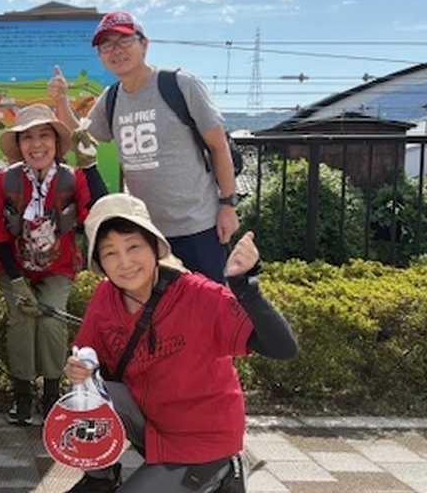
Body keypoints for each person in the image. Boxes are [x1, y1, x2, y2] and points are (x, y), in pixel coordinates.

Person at [64, 193, 296, 493]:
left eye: (133, 246)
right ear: (99, 262)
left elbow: (282, 348)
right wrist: (81, 367)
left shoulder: (199, 295)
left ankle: (224, 471)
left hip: (202, 440)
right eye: (110, 253)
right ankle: (101, 478)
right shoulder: (106, 298)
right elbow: (88, 355)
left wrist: (245, 288)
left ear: (154, 246)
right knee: (91, 393)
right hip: (154, 427)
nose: (124, 262)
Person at [49, 10, 238, 283]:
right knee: (158, 315)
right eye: (107, 45)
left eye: (124, 41)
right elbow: (80, 136)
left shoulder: (180, 85)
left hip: (197, 226)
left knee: (209, 310)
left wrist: (228, 205)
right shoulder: (112, 98)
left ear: (144, 43)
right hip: (146, 231)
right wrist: (62, 102)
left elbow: (219, 146)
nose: (116, 50)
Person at [0, 104, 103, 426]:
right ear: (18, 146)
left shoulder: (72, 180)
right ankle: (21, 393)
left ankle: (52, 394)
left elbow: (99, 211)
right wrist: (18, 281)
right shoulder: (0, 184)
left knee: (51, 320)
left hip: (58, 266)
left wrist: (90, 165)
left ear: (57, 143)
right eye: (28, 137)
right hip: (12, 266)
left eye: (44, 135)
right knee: (21, 318)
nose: (37, 144)